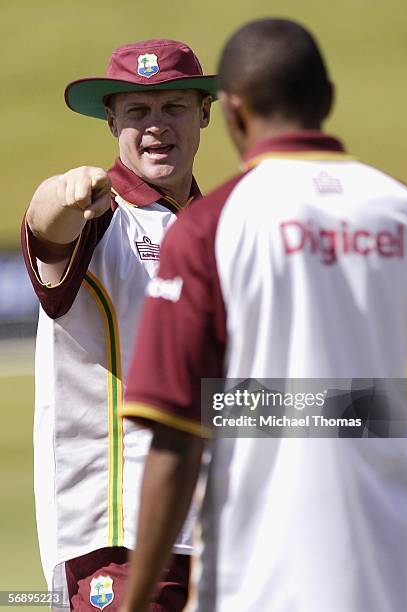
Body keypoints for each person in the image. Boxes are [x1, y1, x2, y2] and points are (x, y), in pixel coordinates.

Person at [120, 18, 407, 612]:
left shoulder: (209, 226)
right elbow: (363, 392)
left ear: (234, 112)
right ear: (328, 100)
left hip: (265, 576)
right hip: (402, 576)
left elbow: (174, 436)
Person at [21, 38, 215, 611]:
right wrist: (67, 191)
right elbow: (44, 226)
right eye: (137, 111)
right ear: (112, 121)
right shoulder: (101, 215)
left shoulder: (219, 228)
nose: (156, 126)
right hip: (114, 539)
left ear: (203, 114)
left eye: (173, 107)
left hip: (216, 537)